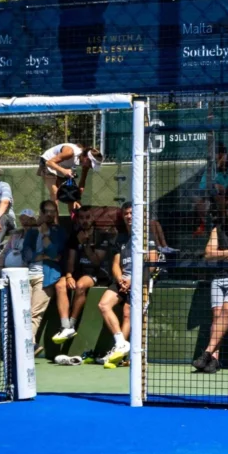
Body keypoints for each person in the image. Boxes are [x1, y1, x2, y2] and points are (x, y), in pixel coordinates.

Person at [192, 200, 228, 374]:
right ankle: (214, 360)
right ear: (226, 211)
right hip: (219, 278)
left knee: (226, 312)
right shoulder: (217, 229)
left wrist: (221, 254)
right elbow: (208, 254)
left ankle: (207, 352)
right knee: (217, 316)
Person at [97, 203, 156, 368]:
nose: (129, 216)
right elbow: (116, 264)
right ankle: (120, 344)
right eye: (126, 214)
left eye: (132, 213)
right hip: (122, 282)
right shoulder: (120, 238)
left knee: (127, 312)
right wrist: (120, 279)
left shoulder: (147, 236)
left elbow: (152, 264)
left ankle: (119, 352)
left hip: (141, 281)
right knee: (103, 304)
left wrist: (134, 281)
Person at [51, 219, 114, 345]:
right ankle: (65, 327)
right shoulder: (75, 237)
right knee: (59, 285)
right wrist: (69, 276)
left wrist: (85, 243)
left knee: (80, 285)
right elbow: (71, 260)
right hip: (77, 272)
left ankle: (72, 324)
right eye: (82, 217)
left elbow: (96, 261)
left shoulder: (101, 237)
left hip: (95, 273)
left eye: (87, 217)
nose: (85, 220)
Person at [22, 200, 68, 345]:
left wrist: (44, 236)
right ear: (41, 213)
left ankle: (29, 346)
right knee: (25, 313)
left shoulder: (59, 232)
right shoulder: (31, 232)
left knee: (35, 313)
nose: (49, 214)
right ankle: (29, 344)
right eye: (46, 211)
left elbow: (55, 252)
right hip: (28, 276)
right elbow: (26, 255)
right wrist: (45, 255)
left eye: (52, 211)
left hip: (46, 276)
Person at [38, 142, 103, 211]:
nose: (90, 167)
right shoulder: (69, 152)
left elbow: (82, 182)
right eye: (91, 165)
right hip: (48, 162)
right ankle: (55, 221)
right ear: (86, 158)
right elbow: (49, 162)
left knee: (72, 197)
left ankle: (75, 220)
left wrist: (76, 197)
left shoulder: (85, 163)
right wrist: (64, 171)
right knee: (55, 194)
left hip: (63, 167)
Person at [193, 143, 228, 237]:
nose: (212, 156)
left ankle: (223, 225)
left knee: (220, 196)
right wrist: (215, 179)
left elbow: (225, 185)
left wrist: (219, 168)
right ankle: (204, 223)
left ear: (222, 154)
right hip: (211, 190)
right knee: (197, 197)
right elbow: (203, 185)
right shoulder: (211, 165)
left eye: (215, 153)